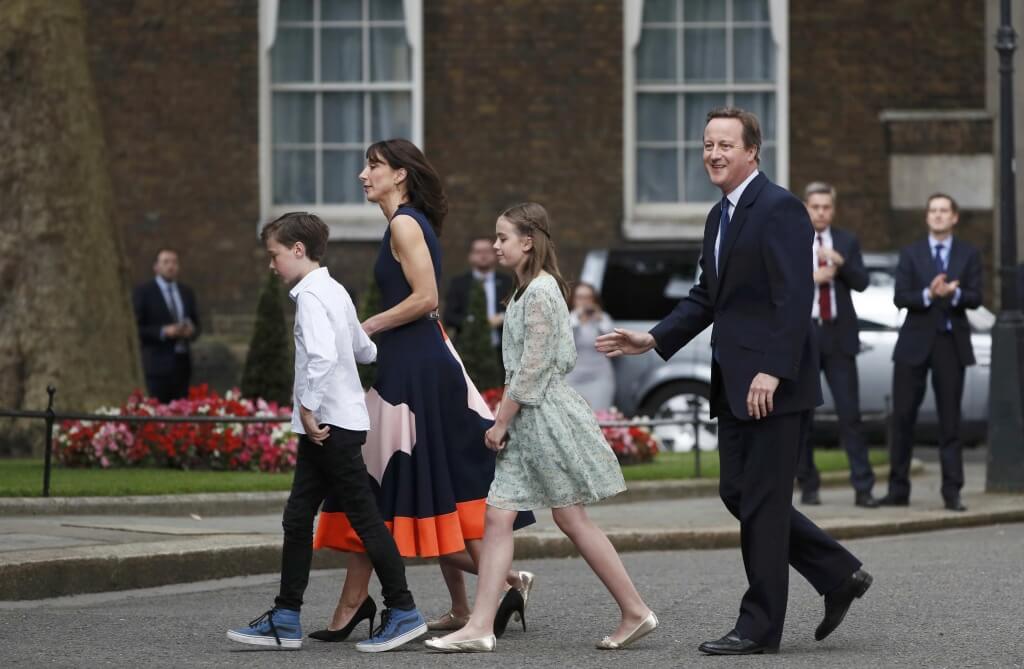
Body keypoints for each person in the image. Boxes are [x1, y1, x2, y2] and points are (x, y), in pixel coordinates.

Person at [596, 108, 871, 655]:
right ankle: (839, 572)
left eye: (725, 144)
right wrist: (653, 339)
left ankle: (758, 628)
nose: (714, 154)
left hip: (773, 383)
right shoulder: (719, 215)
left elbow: (793, 298)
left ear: (752, 153)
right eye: (707, 145)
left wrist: (772, 369)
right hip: (735, 381)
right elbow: (707, 296)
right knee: (738, 493)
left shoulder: (780, 208)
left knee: (763, 504)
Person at [310, 139, 534, 643]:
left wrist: (361, 326)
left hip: (414, 369)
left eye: (374, 167)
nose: (363, 175)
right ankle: (483, 594)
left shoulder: (405, 223)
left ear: (401, 175)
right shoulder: (403, 223)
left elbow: (427, 298)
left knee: (381, 478)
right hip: (410, 362)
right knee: (419, 485)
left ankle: (360, 603)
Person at [425, 202, 657, 654]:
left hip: (541, 418)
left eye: (503, 237)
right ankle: (482, 625)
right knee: (506, 517)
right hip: (535, 416)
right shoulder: (531, 289)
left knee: (563, 518)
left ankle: (633, 609)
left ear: (527, 241)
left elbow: (532, 369)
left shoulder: (540, 292)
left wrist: (500, 420)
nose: (495, 245)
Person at [226, 212, 426, 652]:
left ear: (298, 250)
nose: (271, 264)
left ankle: (404, 609)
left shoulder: (313, 297)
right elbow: (363, 348)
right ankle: (286, 617)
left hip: (328, 426)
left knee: (364, 520)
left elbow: (320, 358)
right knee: (298, 517)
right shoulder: (334, 290)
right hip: (334, 423)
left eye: (274, 255)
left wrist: (310, 409)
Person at [879, 193, 983, 512]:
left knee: (950, 420)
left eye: (944, 211)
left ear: (954, 217)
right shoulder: (911, 254)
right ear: (927, 217)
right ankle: (898, 489)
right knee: (903, 418)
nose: (937, 216)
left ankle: (952, 491)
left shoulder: (968, 254)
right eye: (933, 211)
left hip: (950, 344)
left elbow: (977, 297)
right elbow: (900, 297)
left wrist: (954, 293)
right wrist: (928, 292)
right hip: (914, 344)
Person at [795, 182, 878, 508]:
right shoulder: (794, 238)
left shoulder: (846, 240)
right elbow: (779, 283)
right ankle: (808, 484)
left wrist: (841, 262)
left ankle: (864, 487)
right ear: (806, 207)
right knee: (804, 415)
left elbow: (862, 282)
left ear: (833, 209)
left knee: (850, 414)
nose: (821, 212)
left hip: (838, 335)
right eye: (815, 206)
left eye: (826, 207)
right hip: (805, 335)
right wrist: (811, 278)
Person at [132, 248, 200, 403]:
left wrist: (190, 331)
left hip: (182, 364)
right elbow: (137, 328)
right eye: (166, 262)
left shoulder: (186, 292)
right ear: (156, 267)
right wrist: (163, 332)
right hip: (157, 365)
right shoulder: (144, 292)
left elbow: (196, 323)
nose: (171, 266)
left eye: (174, 262)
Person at [443, 236, 513, 348]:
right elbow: (449, 316)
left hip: (502, 349)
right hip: (467, 348)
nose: (483, 255)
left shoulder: (507, 282)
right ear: (470, 256)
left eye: (487, 251)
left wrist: (501, 318)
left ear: (495, 255)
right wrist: (475, 324)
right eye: (478, 252)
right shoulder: (459, 283)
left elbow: (517, 312)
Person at [565, 282, 616, 410]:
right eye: (580, 297)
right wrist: (577, 316)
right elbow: (565, 339)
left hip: (599, 378)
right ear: (573, 300)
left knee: (599, 417)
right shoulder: (567, 318)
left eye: (588, 297)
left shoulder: (603, 318)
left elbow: (612, 342)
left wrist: (599, 320)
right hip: (572, 378)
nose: (584, 301)